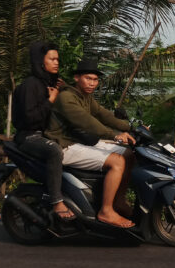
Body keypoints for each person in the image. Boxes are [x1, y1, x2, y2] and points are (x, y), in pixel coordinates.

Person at [45, 59, 136, 228]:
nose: (92, 83)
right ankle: (106, 211)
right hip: (64, 146)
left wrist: (131, 127)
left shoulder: (85, 97)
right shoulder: (67, 98)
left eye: (95, 80)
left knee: (128, 154)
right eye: (88, 78)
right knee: (117, 161)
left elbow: (104, 115)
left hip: (78, 143)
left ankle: (118, 201)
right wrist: (115, 135)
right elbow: (88, 122)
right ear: (77, 78)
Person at [11, 42, 74, 221]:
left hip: (46, 134)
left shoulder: (51, 83)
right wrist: (51, 100)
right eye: (52, 59)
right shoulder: (30, 85)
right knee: (54, 151)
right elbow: (30, 118)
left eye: (57, 59)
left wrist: (63, 89)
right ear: (40, 62)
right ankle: (56, 202)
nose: (57, 63)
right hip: (29, 136)